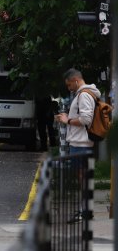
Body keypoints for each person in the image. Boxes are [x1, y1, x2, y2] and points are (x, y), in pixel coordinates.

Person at [55, 68, 101, 223]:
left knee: (83, 180)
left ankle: (85, 212)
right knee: (83, 180)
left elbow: (86, 120)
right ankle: (85, 211)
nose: (68, 88)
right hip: (80, 143)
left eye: (69, 85)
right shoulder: (84, 94)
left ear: (75, 80)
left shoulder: (84, 95)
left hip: (81, 144)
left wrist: (67, 120)